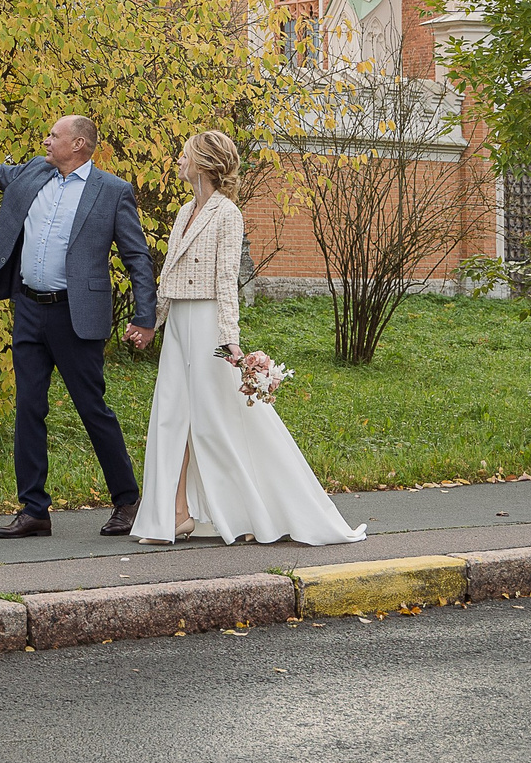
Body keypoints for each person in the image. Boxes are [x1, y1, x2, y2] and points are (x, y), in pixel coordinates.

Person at [0, 87, 154, 539]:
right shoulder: (32, 174)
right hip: (29, 309)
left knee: (92, 409)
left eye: (53, 135)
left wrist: (145, 316)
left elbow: (137, 258)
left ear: (78, 144)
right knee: (28, 408)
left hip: (75, 316)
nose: (46, 141)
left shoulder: (112, 192)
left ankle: (127, 501)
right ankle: (34, 510)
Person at [133, 130, 365, 547]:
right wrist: (153, 322)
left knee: (214, 420)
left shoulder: (227, 213)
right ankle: (176, 513)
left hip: (207, 324)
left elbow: (226, 280)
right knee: (170, 415)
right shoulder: (185, 210)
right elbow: (168, 277)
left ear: (203, 163)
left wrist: (230, 340)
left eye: (184, 155)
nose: (179, 161)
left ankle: (258, 508)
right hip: (179, 327)